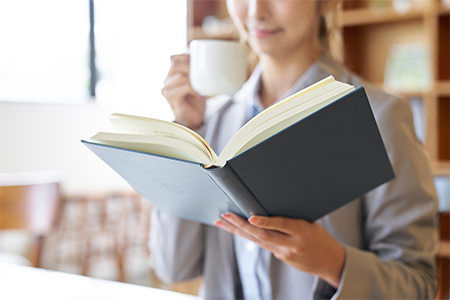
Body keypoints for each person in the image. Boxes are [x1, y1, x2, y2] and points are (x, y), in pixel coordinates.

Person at [150, 0, 439, 299]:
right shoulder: (211, 119)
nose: (255, 11)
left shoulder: (378, 116)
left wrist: (336, 264)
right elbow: (173, 267)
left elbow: (419, 284)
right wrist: (185, 133)